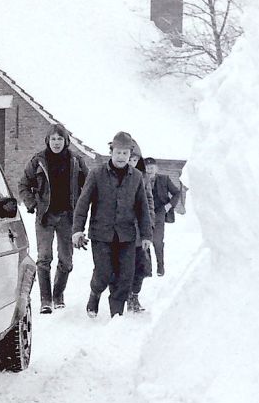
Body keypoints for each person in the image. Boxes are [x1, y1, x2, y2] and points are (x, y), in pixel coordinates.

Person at [72, 131, 153, 318]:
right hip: (101, 234)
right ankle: (95, 293)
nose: (121, 157)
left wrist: (147, 235)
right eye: (118, 152)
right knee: (104, 273)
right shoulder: (97, 174)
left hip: (127, 235)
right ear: (111, 151)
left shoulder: (137, 177)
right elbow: (83, 203)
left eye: (125, 153)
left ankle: (116, 316)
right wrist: (77, 230)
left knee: (125, 277)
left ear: (130, 154)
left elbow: (143, 208)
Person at [18, 124, 89, 314]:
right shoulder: (38, 161)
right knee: (44, 258)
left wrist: (83, 211)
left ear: (66, 141)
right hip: (45, 217)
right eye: (53, 139)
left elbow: (88, 187)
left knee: (66, 260)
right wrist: (32, 203)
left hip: (68, 217)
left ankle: (58, 295)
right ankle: (45, 300)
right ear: (48, 141)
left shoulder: (76, 161)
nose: (56, 143)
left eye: (60, 139)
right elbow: (24, 184)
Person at [128, 147, 156, 313]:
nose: (131, 162)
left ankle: (134, 295)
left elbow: (150, 202)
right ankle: (123, 297)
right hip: (122, 229)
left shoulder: (143, 178)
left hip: (140, 228)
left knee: (142, 265)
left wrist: (150, 223)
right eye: (130, 158)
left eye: (134, 159)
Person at [145, 156, 182, 276]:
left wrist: (169, 205)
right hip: (144, 213)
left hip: (160, 212)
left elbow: (177, 192)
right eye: (147, 168)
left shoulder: (164, 179)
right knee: (145, 240)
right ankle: (148, 268)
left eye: (152, 167)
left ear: (156, 168)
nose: (150, 170)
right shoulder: (140, 180)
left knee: (157, 240)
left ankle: (160, 266)